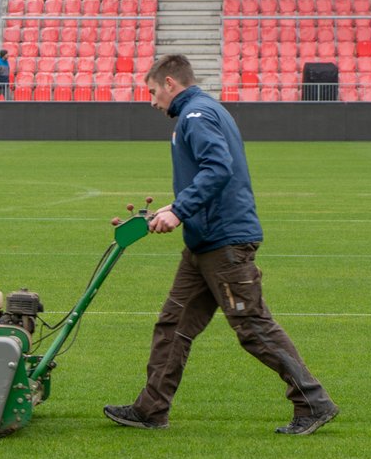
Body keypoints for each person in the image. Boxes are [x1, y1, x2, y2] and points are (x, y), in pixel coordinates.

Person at [104, 54, 339, 435]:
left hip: (224, 244)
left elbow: (218, 168)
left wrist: (180, 210)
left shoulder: (195, 117)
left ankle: (313, 402)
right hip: (204, 243)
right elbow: (208, 175)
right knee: (173, 322)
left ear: (169, 83)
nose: (151, 102)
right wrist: (173, 207)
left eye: (152, 92)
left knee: (253, 326)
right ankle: (151, 408)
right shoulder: (206, 111)